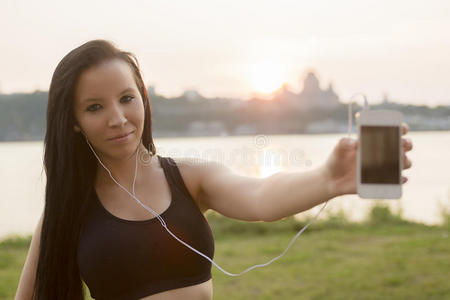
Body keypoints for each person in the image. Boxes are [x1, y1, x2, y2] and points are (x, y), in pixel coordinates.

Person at [14, 39, 413, 300]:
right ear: (73, 120)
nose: (118, 118)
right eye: (95, 107)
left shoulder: (190, 177)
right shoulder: (66, 211)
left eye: (126, 98)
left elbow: (261, 197)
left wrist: (329, 178)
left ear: (144, 100)